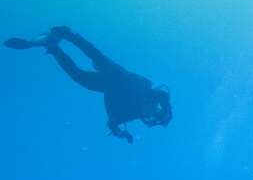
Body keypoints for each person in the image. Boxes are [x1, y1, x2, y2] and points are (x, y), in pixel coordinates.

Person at [4, 26, 172, 143]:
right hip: (119, 76)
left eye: (149, 117)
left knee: (78, 75)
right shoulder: (152, 95)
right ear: (157, 107)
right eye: (155, 111)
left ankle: (53, 47)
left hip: (108, 86)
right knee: (96, 56)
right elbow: (164, 96)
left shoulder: (132, 114)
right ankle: (67, 34)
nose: (149, 113)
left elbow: (112, 124)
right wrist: (166, 111)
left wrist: (123, 134)